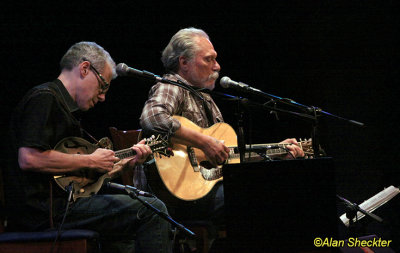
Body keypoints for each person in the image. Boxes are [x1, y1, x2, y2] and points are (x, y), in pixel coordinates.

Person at [139, 27, 304, 247]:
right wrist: (203, 141)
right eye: (209, 59)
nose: (217, 66)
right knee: (259, 196)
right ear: (184, 62)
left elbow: (228, 156)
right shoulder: (171, 87)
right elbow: (152, 118)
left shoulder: (205, 99)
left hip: (206, 189)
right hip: (177, 197)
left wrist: (274, 151)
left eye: (216, 59)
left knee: (274, 189)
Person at [4, 41, 171, 253]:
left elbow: (78, 177)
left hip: (61, 206)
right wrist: (91, 160)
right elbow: (29, 158)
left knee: (125, 240)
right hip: (42, 212)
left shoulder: (66, 111)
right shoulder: (44, 98)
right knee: (154, 211)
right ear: (84, 69)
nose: (102, 97)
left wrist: (128, 164)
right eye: (103, 86)